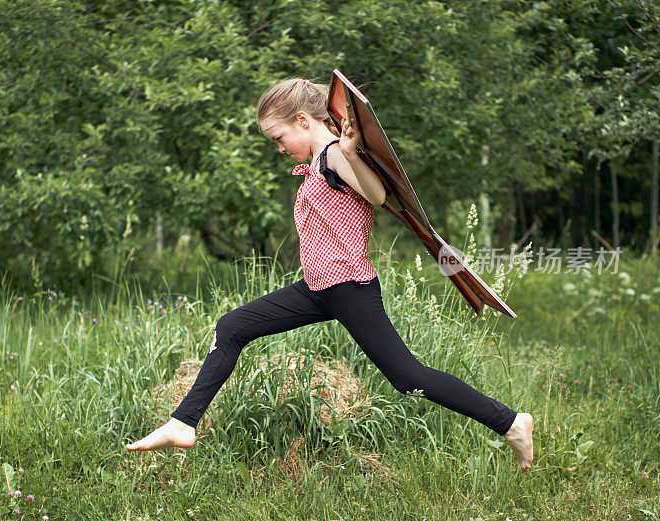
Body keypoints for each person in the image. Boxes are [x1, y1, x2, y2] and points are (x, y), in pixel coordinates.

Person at [126, 78, 534, 473]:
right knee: (232, 326)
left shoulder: (336, 154)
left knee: (408, 378)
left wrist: (352, 154)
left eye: (278, 137)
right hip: (318, 289)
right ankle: (183, 423)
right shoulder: (322, 161)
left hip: (350, 288)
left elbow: (376, 195)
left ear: (304, 121)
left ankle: (511, 422)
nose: (280, 148)